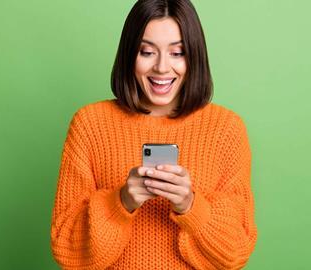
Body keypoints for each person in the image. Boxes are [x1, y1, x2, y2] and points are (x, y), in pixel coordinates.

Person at [50, 0, 257, 269]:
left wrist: (190, 205)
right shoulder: (90, 124)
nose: (161, 67)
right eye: (147, 52)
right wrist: (121, 201)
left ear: (194, 56)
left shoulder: (226, 129)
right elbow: (67, 248)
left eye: (177, 53)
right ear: (129, 55)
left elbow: (236, 252)